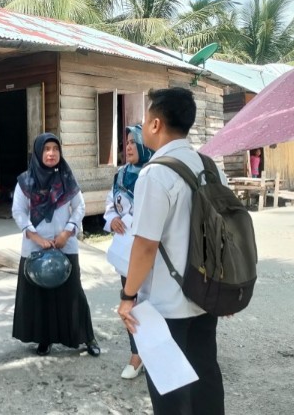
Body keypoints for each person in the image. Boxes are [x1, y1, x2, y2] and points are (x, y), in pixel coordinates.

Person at [117, 88, 228, 415]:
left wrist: (128, 296)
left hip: (167, 305)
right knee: (205, 375)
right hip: (205, 296)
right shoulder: (209, 166)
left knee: (171, 391)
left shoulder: (156, 173)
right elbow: (225, 231)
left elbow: (146, 244)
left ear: (154, 124)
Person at [12, 133, 99, 358]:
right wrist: (36, 238)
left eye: (55, 149)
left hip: (65, 245)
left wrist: (67, 231)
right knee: (40, 296)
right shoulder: (25, 181)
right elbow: (18, 211)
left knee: (73, 294)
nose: (51, 153)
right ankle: (44, 339)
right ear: (38, 153)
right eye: (46, 149)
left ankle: (87, 337)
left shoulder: (68, 179)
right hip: (35, 247)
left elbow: (80, 207)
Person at [103, 125, 153, 379]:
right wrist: (111, 219)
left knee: (154, 304)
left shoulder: (156, 174)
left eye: (135, 141)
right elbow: (110, 205)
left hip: (153, 254)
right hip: (127, 254)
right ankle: (136, 356)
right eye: (127, 143)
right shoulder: (121, 176)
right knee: (130, 302)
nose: (129, 147)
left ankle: (157, 353)